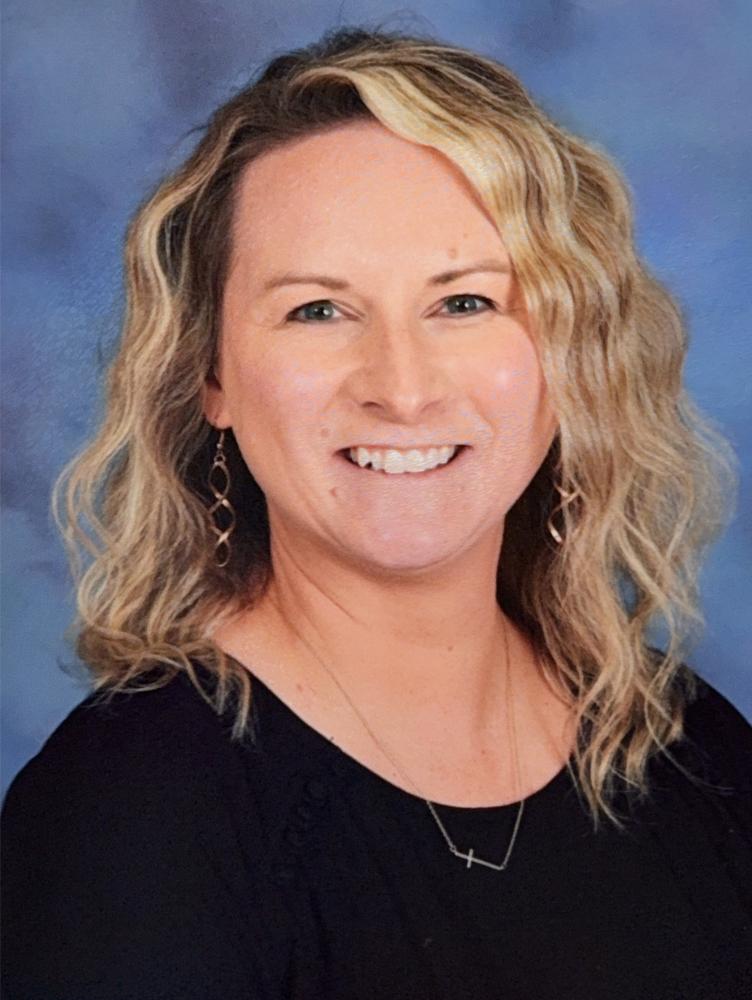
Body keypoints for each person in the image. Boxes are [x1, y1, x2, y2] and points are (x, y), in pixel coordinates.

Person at [2, 23, 751, 1000]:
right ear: (211, 377)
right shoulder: (123, 815)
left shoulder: (692, 748)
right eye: (317, 310)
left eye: (466, 303)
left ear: (564, 354)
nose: (401, 388)